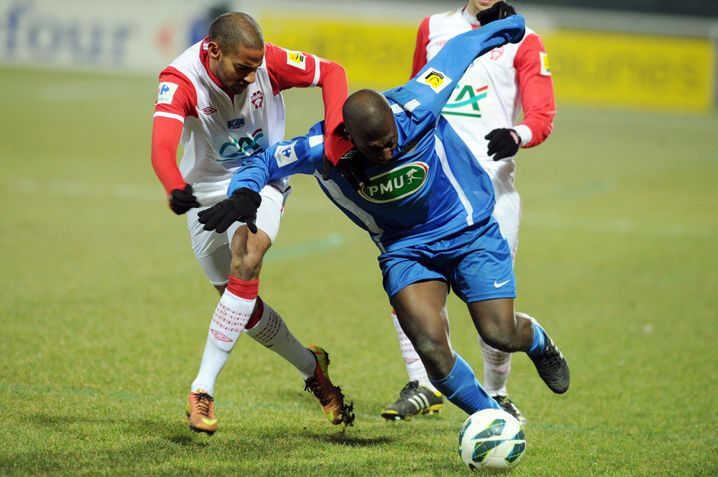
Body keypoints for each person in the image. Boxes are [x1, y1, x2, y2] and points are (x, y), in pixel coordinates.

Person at [198, 14, 570, 423]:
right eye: (376, 150)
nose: (388, 153)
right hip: (406, 250)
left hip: (470, 231)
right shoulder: (323, 148)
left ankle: (537, 341)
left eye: (392, 143)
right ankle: (490, 419)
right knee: (431, 348)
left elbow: (458, 51)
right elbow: (265, 160)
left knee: (499, 332)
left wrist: (510, 26)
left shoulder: (418, 103)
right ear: (353, 140)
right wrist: (245, 192)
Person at [150, 12, 355, 435]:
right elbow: (161, 145)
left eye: (256, 67)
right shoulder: (181, 80)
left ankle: (201, 389)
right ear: (213, 51)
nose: (252, 75)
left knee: (248, 257)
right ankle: (311, 367)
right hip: (206, 192)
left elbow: (333, 73)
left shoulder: (269, 62)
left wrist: (335, 134)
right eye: (243, 67)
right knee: (239, 307)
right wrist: (174, 186)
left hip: (264, 178)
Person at [381, 0, 556, 423]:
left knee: (493, 309)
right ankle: (423, 383)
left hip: (492, 191)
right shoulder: (433, 27)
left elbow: (542, 113)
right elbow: (415, 94)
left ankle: (498, 392)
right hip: (434, 188)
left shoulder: (525, 39)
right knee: (408, 285)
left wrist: (518, 133)